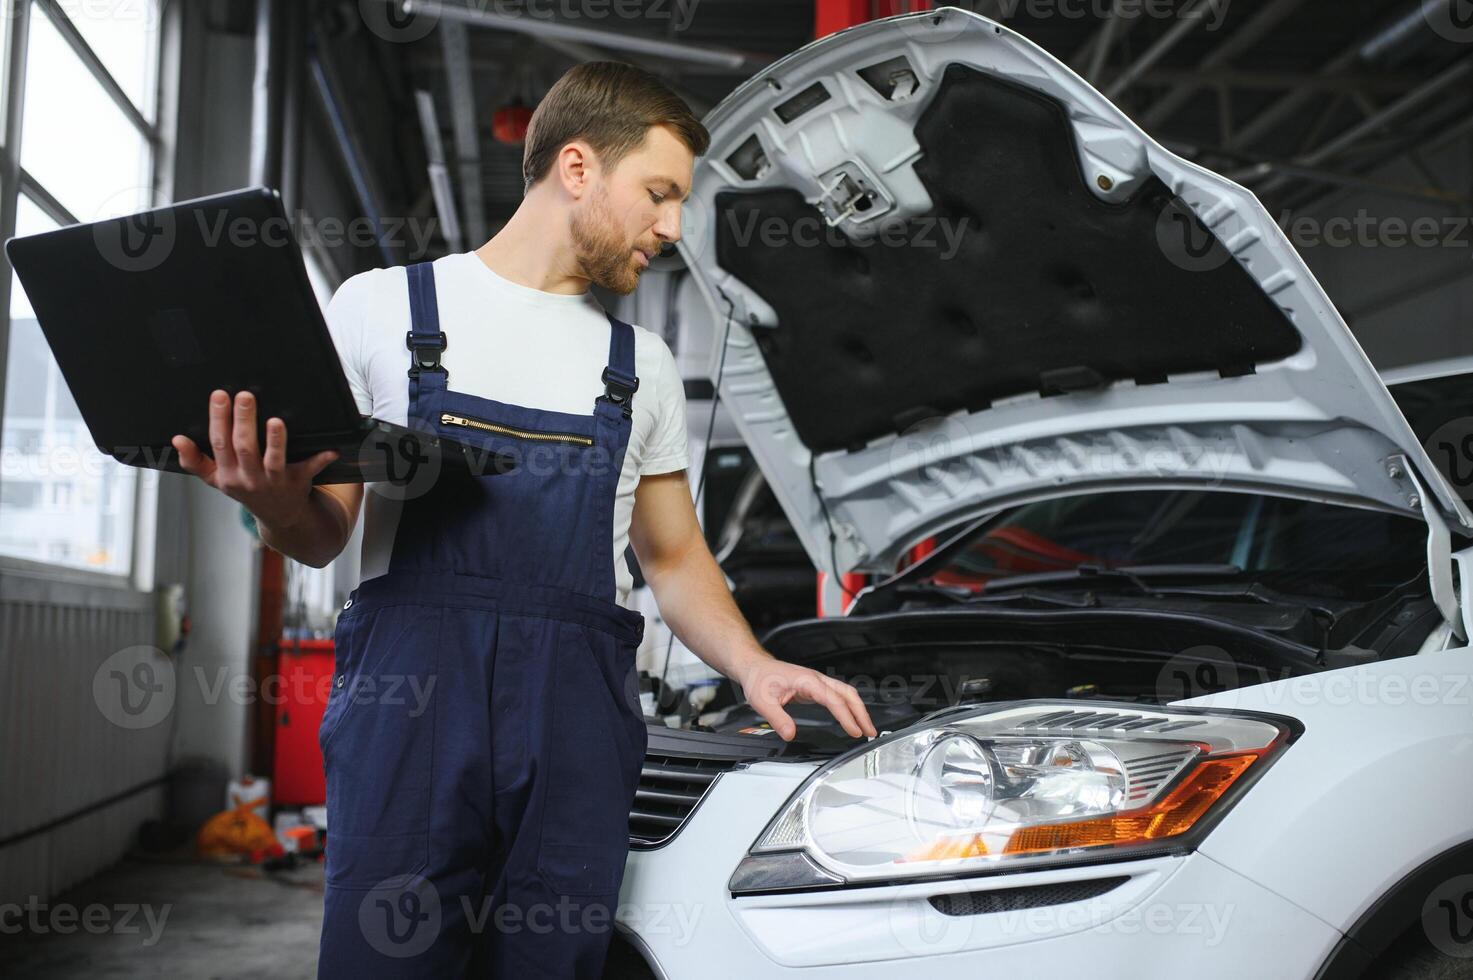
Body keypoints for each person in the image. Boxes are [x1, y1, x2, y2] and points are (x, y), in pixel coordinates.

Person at [170, 61, 876, 978]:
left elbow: (671, 557)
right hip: (411, 710)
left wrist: (755, 665)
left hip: (574, 720)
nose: (671, 227)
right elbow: (323, 531)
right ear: (576, 169)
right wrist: (272, 506)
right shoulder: (384, 308)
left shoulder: (643, 363)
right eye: (659, 194)